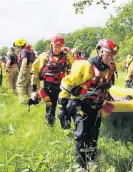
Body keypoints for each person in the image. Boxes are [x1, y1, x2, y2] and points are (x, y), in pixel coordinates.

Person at [57, 39, 119, 170]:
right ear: (100, 51)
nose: (110, 58)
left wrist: (107, 97)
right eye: (107, 54)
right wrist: (62, 105)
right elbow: (67, 83)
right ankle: (81, 165)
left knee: (94, 133)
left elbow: (103, 86)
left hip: (96, 106)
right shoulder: (86, 66)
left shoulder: (109, 68)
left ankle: (91, 159)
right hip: (80, 104)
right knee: (82, 135)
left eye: (112, 55)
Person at [30, 35, 74, 126]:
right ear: (51, 45)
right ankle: (50, 129)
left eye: (60, 46)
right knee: (50, 109)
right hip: (48, 88)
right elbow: (34, 72)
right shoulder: (43, 57)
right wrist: (34, 90)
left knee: (65, 110)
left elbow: (75, 70)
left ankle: (67, 131)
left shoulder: (67, 57)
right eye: (56, 46)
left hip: (63, 88)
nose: (58, 49)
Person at [14, 38, 33, 104]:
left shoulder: (23, 51)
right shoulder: (29, 50)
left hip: (25, 69)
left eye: (17, 46)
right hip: (29, 69)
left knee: (20, 85)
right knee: (28, 85)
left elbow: (24, 60)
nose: (17, 48)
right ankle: (30, 100)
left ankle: (23, 102)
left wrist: (22, 70)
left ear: (20, 45)